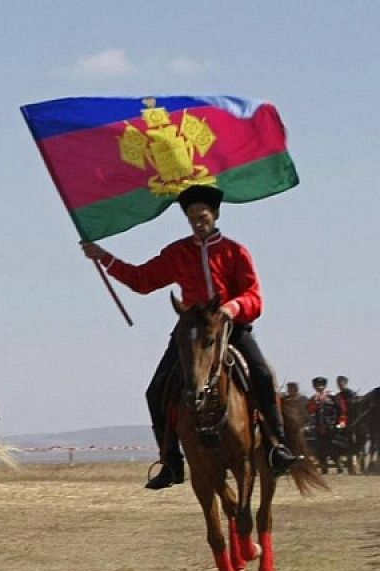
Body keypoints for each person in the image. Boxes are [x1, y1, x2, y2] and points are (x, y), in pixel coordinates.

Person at [81, 184, 299, 490]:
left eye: (203, 215)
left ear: (216, 215)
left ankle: (277, 446)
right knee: (156, 390)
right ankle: (171, 461)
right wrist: (104, 257)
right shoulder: (178, 253)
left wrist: (231, 307)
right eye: (193, 216)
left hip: (230, 327)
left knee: (262, 374)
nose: (199, 221)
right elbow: (142, 280)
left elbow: (255, 297)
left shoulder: (235, 251)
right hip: (191, 333)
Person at [307, 376, 344, 474]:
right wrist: (315, 403)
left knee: (332, 447)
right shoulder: (313, 399)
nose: (319, 387)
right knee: (320, 448)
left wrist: (341, 421)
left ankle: (339, 466)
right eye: (317, 385)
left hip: (331, 426)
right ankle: (324, 468)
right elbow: (309, 412)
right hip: (318, 427)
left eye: (321, 385)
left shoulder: (332, 396)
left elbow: (341, 410)